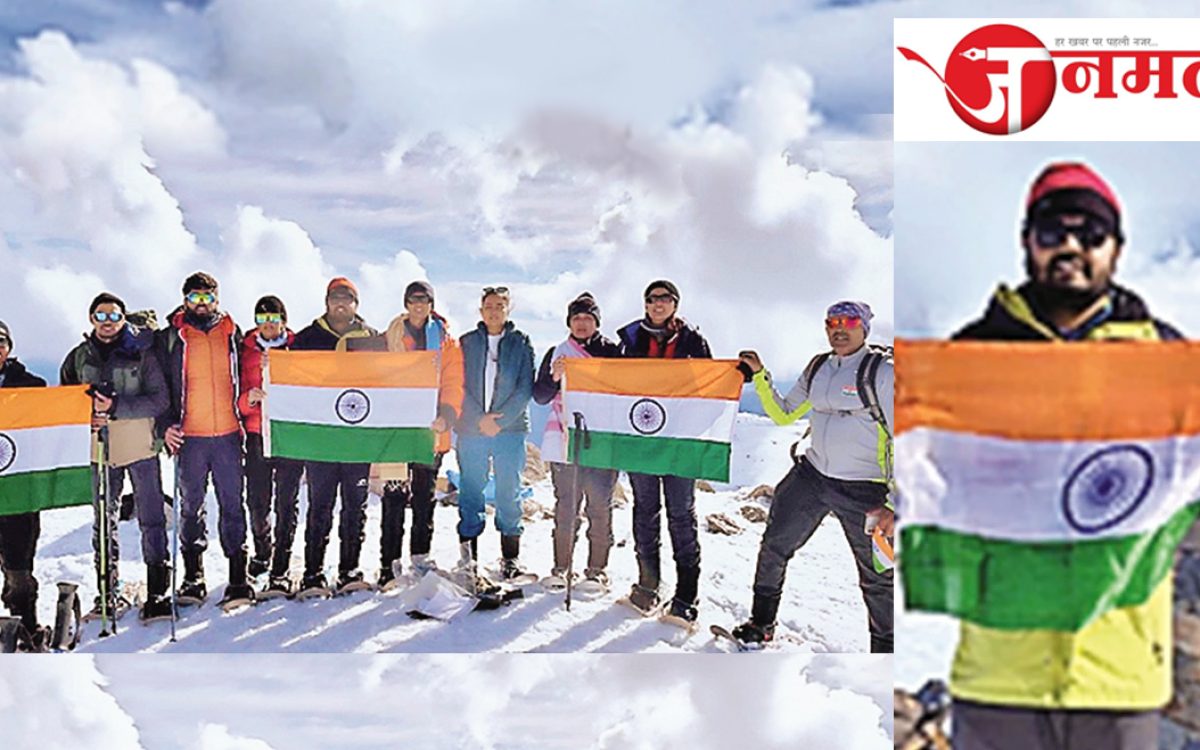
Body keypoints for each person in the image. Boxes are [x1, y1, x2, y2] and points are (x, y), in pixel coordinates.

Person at [947, 162, 1180, 749]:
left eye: (1091, 234)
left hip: (1121, 682)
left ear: (1117, 249)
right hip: (997, 678)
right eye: (1053, 233)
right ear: (1028, 241)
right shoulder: (968, 359)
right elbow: (927, 474)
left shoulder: (1172, 364)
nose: (1071, 247)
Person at [733, 300, 894, 652]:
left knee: (878, 577)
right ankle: (761, 624)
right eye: (832, 321)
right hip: (813, 476)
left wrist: (895, 503)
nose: (839, 328)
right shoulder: (819, 366)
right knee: (774, 547)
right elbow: (784, 414)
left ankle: (886, 653)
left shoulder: (882, 372)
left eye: (849, 321)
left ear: (864, 327)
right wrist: (761, 376)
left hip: (866, 489)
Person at [60, 293, 172, 622]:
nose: (107, 322)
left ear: (123, 318)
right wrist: (85, 415)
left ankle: (158, 590)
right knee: (104, 522)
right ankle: (107, 591)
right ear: (91, 319)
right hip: (100, 449)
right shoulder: (79, 357)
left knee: (151, 518)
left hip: (139, 445)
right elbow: (65, 400)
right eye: (101, 315)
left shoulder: (142, 353)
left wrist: (117, 407)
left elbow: (160, 399)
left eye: (114, 316)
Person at [617, 280, 712, 622]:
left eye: (664, 299)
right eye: (652, 299)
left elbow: (710, 383)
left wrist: (738, 374)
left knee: (681, 514)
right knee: (645, 511)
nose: (658, 304)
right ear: (645, 304)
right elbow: (613, 383)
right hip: (642, 439)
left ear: (675, 304)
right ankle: (647, 585)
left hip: (679, 442)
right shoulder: (630, 341)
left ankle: (686, 597)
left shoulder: (692, 341)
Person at [156, 272, 253, 608]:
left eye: (207, 298)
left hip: (227, 434)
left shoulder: (232, 333)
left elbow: (251, 369)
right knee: (190, 508)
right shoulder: (171, 336)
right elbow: (159, 386)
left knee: (232, 504)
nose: (201, 304)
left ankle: (238, 576)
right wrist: (164, 425)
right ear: (185, 299)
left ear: (217, 299)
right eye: (195, 298)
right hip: (190, 438)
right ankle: (193, 576)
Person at [292, 277, 380, 595]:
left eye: (347, 298)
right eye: (335, 298)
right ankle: (313, 572)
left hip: (358, 440)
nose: (340, 304)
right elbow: (290, 380)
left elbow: (387, 381)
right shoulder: (306, 338)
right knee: (319, 506)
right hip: (321, 441)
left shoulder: (372, 339)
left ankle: (349, 569)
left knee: (355, 506)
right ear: (326, 302)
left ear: (356, 303)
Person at [375, 281, 463, 589]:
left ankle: (420, 558)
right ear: (406, 303)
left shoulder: (446, 342)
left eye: (424, 300)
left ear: (431, 304)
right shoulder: (389, 338)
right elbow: (375, 375)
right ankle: (389, 564)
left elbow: (453, 381)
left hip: (431, 432)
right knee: (395, 496)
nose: (418, 305)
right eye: (413, 299)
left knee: (424, 498)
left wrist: (447, 415)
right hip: (396, 434)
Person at [532, 292, 621, 591]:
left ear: (596, 322)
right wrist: (553, 377)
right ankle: (561, 567)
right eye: (576, 318)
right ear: (569, 322)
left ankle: (597, 570)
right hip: (565, 437)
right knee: (567, 505)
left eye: (587, 318)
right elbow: (540, 396)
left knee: (599, 505)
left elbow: (624, 391)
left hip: (602, 440)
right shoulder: (558, 351)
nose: (582, 324)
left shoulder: (612, 351)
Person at [455, 286, 535, 581]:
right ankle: (469, 559)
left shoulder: (520, 342)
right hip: (471, 429)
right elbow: (457, 384)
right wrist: (479, 419)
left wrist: (498, 422)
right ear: (480, 310)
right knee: (471, 489)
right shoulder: (467, 343)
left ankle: (510, 558)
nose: (493, 311)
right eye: (489, 306)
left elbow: (526, 387)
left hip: (510, 429)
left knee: (508, 492)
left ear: (507, 310)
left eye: (499, 306)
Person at [237, 295, 304, 598]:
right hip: (256, 432)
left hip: (288, 435)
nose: (268, 326)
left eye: (273, 319)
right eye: (262, 320)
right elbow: (235, 394)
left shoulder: (296, 347)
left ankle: (282, 563)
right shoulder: (245, 350)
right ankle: (264, 550)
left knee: (286, 501)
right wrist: (248, 400)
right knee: (257, 501)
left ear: (283, 321)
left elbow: (308, 388)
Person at [0, 321, 52, 646]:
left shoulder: (31, 387)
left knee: (19, 566)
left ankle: (27, 626)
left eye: (0, 341)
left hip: (18, 492)